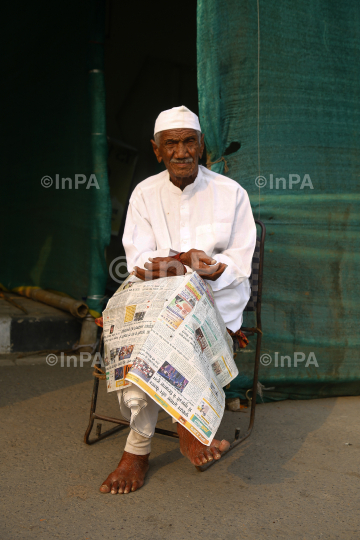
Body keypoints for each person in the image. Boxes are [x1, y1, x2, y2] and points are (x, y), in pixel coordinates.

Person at [100, 106, 256, 495]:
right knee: (155, 325)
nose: (182, 152)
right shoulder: (144, 193)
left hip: (217, 298)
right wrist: (178, 264)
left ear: (202, 146)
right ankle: (188, 421)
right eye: (172, 144)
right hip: (154, 299)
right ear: (156, 150)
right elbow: (136, 261)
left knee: (167, 325)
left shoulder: (231, 194)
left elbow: (239, 262)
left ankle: (137, 450)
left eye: (190, 142)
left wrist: (210, 270)